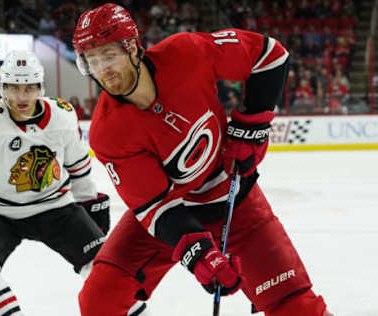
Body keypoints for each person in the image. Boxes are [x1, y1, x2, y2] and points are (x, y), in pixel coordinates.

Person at [73, 3, 334, 316]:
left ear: (132, 47)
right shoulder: (107, 132)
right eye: (93, 59)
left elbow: (269, 55)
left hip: (237, 203)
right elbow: (157, 209)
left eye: (109, 55)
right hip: (170, 215)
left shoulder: (186, 53)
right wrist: (198, 254)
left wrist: (252, 125)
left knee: (297, 308)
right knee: (98, 300)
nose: (102, 69)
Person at [0, 50, 146, 316]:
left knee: (107, 271)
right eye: (14, 88)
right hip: (0, 212)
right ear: (3, 88)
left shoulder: (62, 115)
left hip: (57, 208)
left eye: (29, 88)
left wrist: (88, 199)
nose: (22, 96)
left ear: (40, 87)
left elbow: (78, 164)